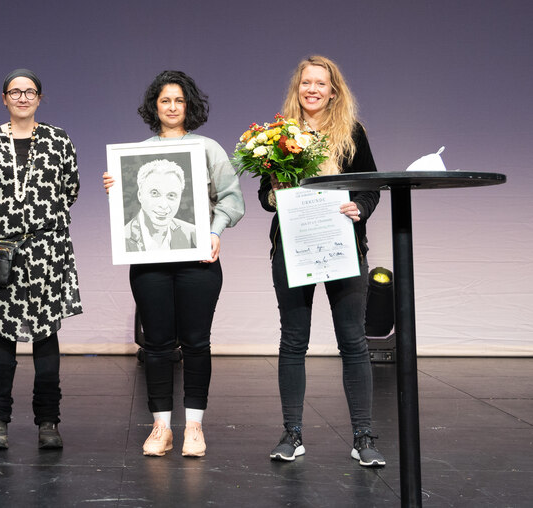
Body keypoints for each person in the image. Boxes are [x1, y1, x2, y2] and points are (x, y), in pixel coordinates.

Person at [103, 70, 245, 457]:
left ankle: (194, 427)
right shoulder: (136, 154)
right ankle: (161, 427)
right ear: (154, 106)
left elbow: (232, 198)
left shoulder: (208, 149)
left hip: (199, 261)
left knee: (197, 343)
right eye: (165, 100)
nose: (172, 107)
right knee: (157, 344)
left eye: (179, 100)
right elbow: (127, 207)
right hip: (149, 266)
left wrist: (214, 231)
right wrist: (116, 190)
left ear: (189, 106)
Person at [258, 55, 385, 467]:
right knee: (294, 341)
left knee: (353, 341)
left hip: (342, 247)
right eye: (305, 82)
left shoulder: (352, 132)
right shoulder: (278, 136)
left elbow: (370, 188)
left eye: (320, 83)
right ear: (297, 89)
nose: (312, 89)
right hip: (294, 248)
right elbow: (264, 198)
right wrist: (276, 193)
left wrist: (359, 208)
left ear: (333, 91)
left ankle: (363, 436)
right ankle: (292, 434)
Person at [0, 69, 81, 450]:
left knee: (46, 338)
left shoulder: (58, 140)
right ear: (4, 98)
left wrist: (39, 222)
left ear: (39, 98)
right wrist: (1, 225)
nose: (22, 98)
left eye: (30, 92)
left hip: (47, 251)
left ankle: (48, 422)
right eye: (15, 92)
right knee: (2, 338)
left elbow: (70, 189)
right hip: (2, 251)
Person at [124, 158, 197, 252]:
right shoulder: (121, 239)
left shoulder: (193, 234)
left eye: (171, 195)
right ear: (140, 195)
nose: (163, 205)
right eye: (154, 193)